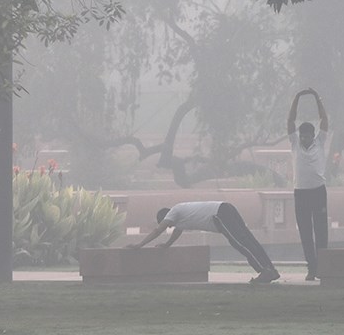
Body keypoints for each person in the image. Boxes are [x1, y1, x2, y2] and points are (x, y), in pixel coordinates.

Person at [130, 201, 280, 284]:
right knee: (249, 241)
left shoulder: (173, 213)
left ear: (165, 216)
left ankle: (264, 272)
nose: (169, 226)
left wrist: (139, 245)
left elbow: (157, 230)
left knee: (240, 244)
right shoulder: (180, 214)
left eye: (167, 223)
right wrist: (167, 244)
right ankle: (271, 270)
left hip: (219, 214)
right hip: (226, 207)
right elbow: (177, 231)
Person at [288, 87, 330, 281]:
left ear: (313, 135)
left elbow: (324, 121)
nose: (304, 139)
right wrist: (296, 98)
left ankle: (323, 267)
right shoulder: (295, 144)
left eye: (307, 136)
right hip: (301, 193)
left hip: (318, 192)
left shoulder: (320, 142)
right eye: (302, 136)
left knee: (321, 231)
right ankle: (311, 269)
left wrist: (316, 98)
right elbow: (290, 121)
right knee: (305, 232)